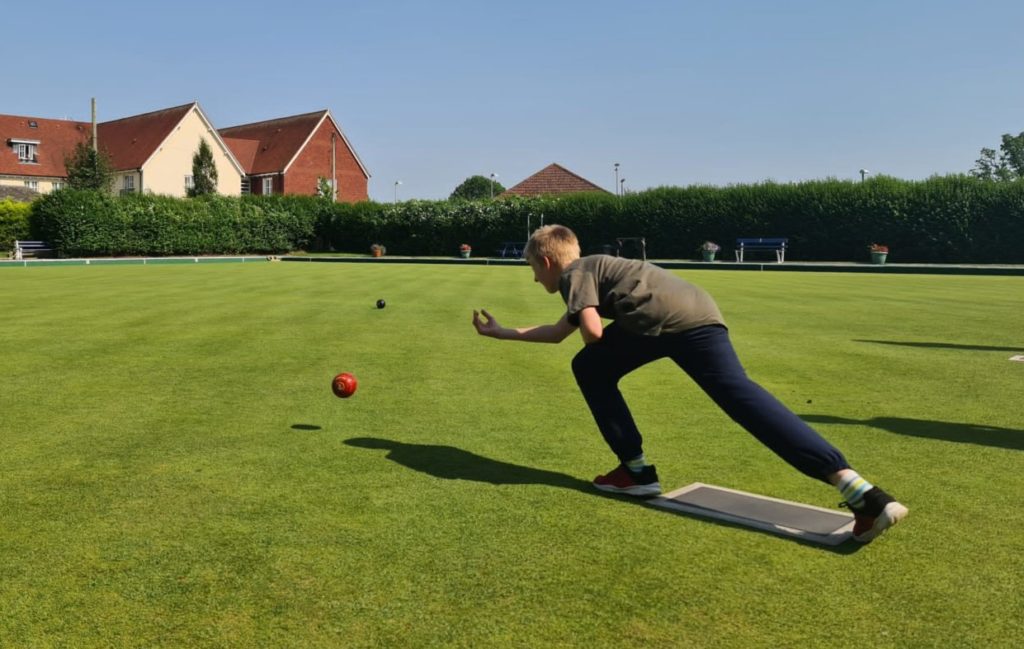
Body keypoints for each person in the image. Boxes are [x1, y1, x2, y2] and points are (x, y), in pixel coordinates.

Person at [472, 224, 908, 543]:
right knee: (743, 398)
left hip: (658, 322)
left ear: (547, 261)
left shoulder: (576, 272)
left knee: (589, 365)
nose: (534, 278)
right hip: (699, 315)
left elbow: (592, 334)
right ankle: (860, 491)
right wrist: (502, 332)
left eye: (533, 269)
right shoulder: (601, 270)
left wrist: (592, 332)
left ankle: (635, 471)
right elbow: (556, 332)